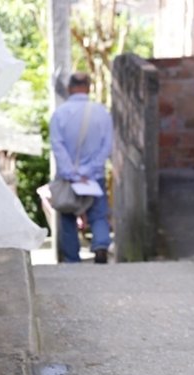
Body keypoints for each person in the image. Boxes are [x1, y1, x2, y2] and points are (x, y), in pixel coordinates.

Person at [49, 72, 113, 264]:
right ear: (89, 87)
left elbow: (57, 146)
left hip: (68, 177)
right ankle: (100, 245)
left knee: (67, 215)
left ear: (69, 88)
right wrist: (90, 171)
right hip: (94, 177)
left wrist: (71, 173)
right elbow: (107, 146)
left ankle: (72, 259)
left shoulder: (60, 114)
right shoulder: (102, 113)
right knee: (98, 214)